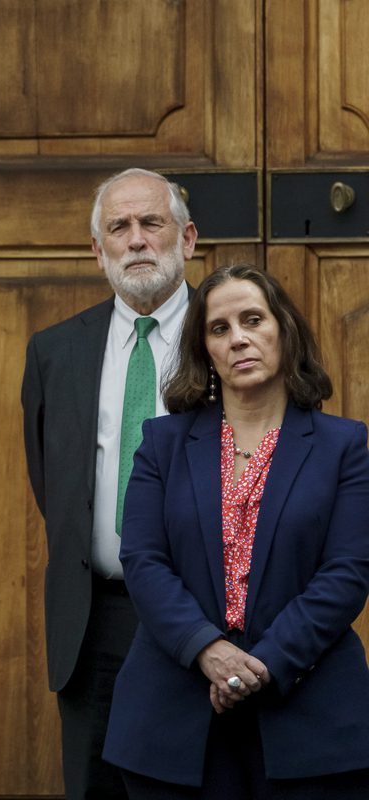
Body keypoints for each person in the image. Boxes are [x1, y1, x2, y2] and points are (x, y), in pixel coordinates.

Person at [103, 264, 369, 797]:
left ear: (283, 331)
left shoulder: (344, 445)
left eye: (253, 319)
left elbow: (347, 571)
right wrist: (209, 651)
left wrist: (264, 664)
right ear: (204, 350)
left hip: (309, 714)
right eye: (219, 328)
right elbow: (144, 560)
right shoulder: (162, 443)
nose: (238, 338)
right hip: (174, 717)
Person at [22, 168, 198, 799]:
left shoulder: (231, 335)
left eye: (152, 223)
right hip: (94, 617)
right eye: (118, 228)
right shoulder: (54, 351)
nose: (137, 240)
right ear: (98, 250)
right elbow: (55, 483)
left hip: (209, 619)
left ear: (188, 238)